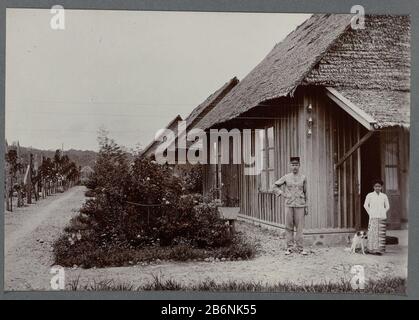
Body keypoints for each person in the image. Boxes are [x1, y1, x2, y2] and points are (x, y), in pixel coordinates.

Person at [272, 157, 308, 255]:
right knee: (288, 227)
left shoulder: (303, 177)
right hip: (289, 205)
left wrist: (306, 206)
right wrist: (282, 193)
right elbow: (274, 186)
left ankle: (300, 248)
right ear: (290, 166)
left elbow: (305, 192)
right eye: (293, 165)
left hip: (300, 205)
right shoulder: (286, 177)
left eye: (296, 165)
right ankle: (289, 248)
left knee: (300, 227)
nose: (294, 167)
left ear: (299, 166)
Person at [363, 179, 390, 255]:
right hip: (373, 216)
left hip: (381, 217)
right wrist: (370, 213)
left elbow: (387, 206)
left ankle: (379, 250)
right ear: (373, 187)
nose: (377, 188)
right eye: (376, 186)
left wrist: (383, 211)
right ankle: (370, 249)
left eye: (379, 186)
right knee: (372, 232)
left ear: (381, 187)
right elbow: (365, 205)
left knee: (380, 233)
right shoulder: (370, 195)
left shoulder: (384, 196)